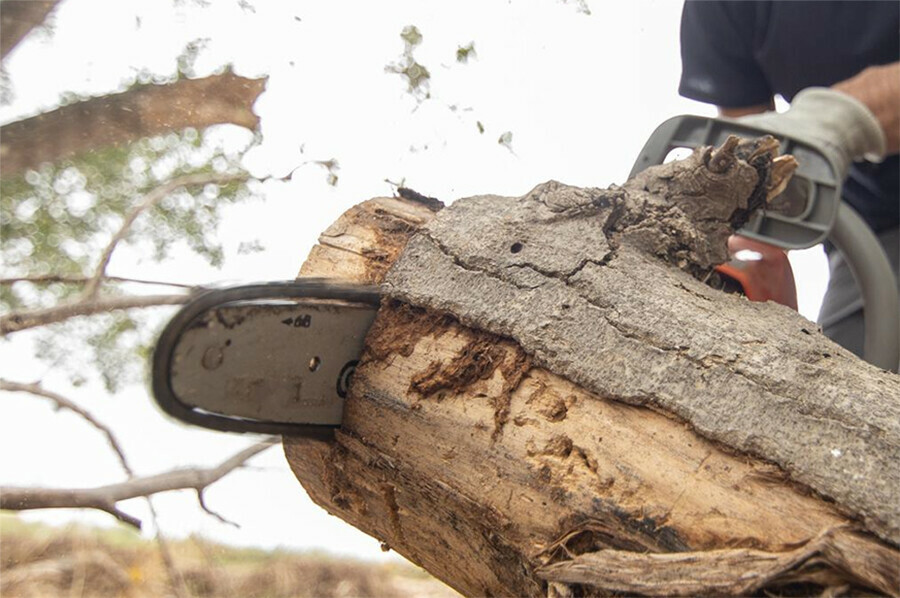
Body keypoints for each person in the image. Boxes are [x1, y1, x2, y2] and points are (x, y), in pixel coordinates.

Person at [678, 0, 899, 360]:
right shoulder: (722, 8)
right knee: (843, 381)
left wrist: (837, 118)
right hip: (875, 232)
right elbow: (753, 174)